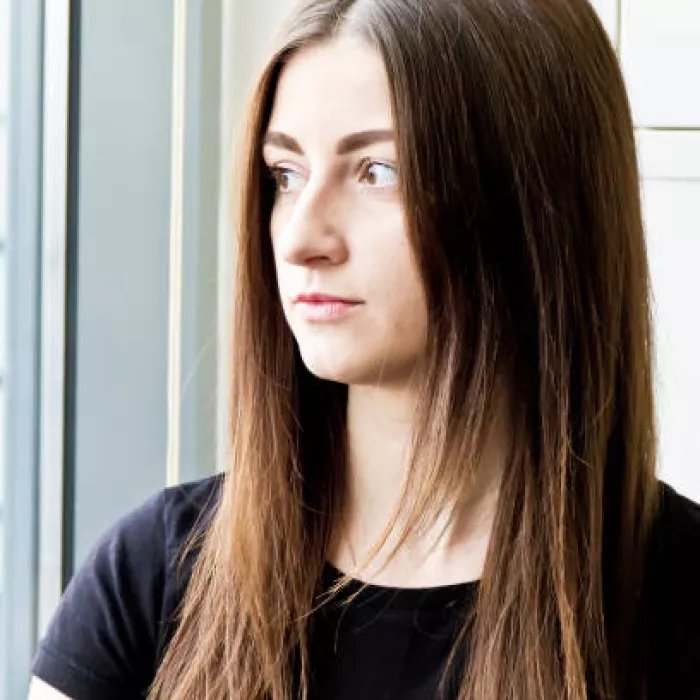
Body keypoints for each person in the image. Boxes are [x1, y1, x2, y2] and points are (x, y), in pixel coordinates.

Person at [29, 0, 700, 698]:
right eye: (285, 176)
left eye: (377, 171)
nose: (299, 238)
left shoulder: (677, 604)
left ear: (533, 207)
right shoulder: (152, 579)